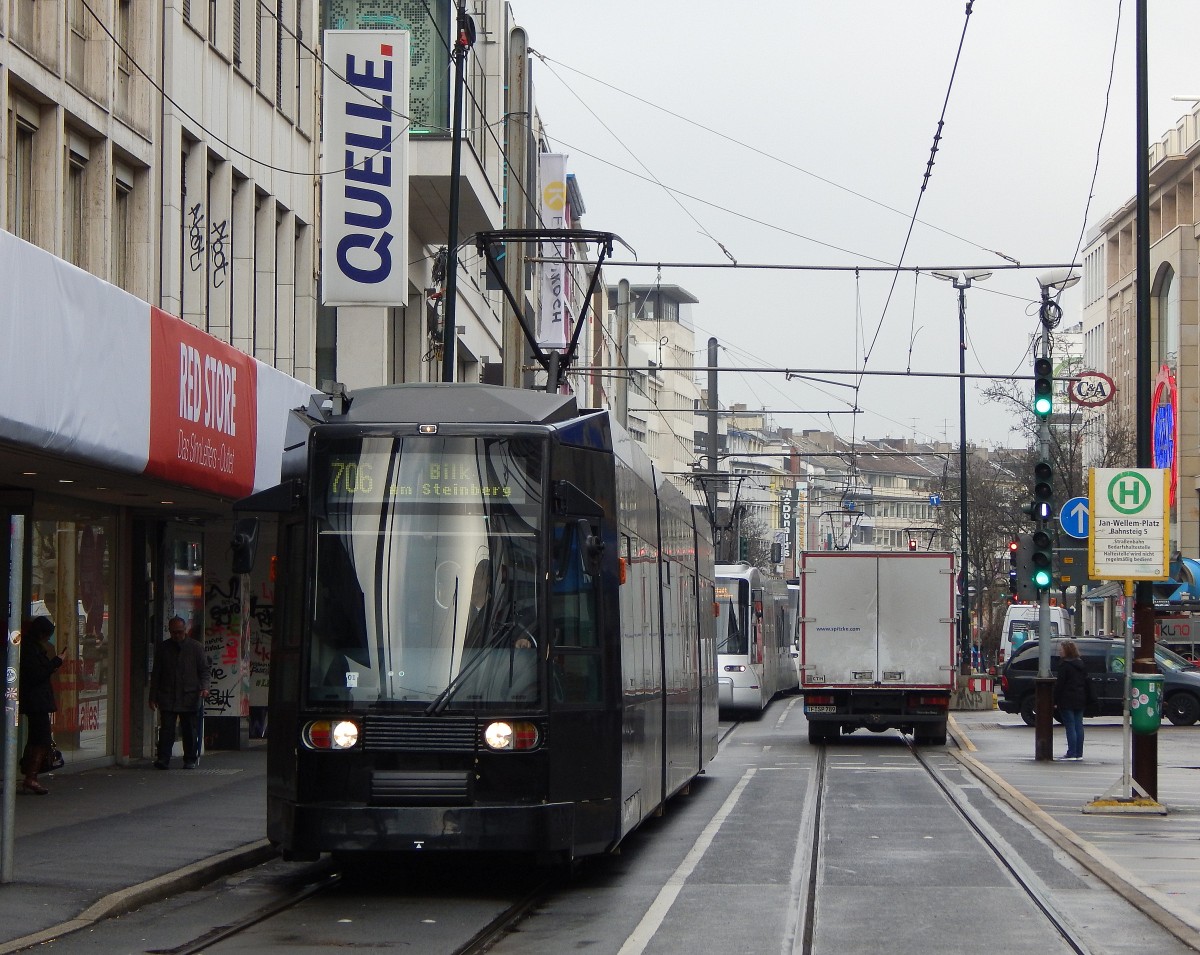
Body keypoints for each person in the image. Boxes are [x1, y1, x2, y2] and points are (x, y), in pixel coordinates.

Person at [149, 616, 209, 769]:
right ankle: (163, 759)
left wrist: (204, 687)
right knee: (166, 730)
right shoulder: (163, 648)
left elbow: (204, 670)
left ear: (185, 630)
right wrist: (153, 697)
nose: (177, 635)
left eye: (180, 632)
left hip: (188, 695)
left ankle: (190, 759)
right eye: (174, 632)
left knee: (188, 729)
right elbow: (156, 674)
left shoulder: (195, 647)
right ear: (170, 631)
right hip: (168, 695)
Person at [18, 615, 64, 795]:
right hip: (36, 701)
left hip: (37, 701)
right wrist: (56, 661)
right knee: (42, 738)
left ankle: (29, 772)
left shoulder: (33, 647)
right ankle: (31, 775)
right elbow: (37, 674)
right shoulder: (31, 649)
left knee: (36, 738)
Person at [1054, 639, 1093, 761]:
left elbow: (1060, 684)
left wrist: (1054, 700)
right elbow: (1086, 682)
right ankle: (1078, 753)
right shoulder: (1080, 664)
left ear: (1067, 651)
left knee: (1070, 726)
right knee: (1078, 726)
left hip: (1067, 699)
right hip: (1080, 698)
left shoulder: (1064, 665)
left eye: (1061, 649)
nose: (1060, 651)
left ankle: (1071, 752)